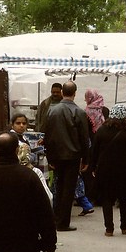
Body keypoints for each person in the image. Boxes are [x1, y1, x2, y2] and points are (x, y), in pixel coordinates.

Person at [40, 80, 90, 232]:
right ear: (75, 93)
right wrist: (86, 159)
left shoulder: (52, 111)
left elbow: (47, 134)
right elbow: (84, 138)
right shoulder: (79, 112)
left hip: (57, 155)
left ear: (62, 92)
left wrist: (50, 156)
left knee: (58, 187)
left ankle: (56, 219)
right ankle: (63, 222)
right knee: (68, 190)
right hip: (73, 156)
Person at [91, 103, 126, 237]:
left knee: (107, 199)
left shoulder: (101, 131)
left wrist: (93, 167)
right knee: (124, 200)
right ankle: (124, 226)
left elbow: (94, 151)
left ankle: (109, 228)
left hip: (105, 171)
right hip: (123, 172)